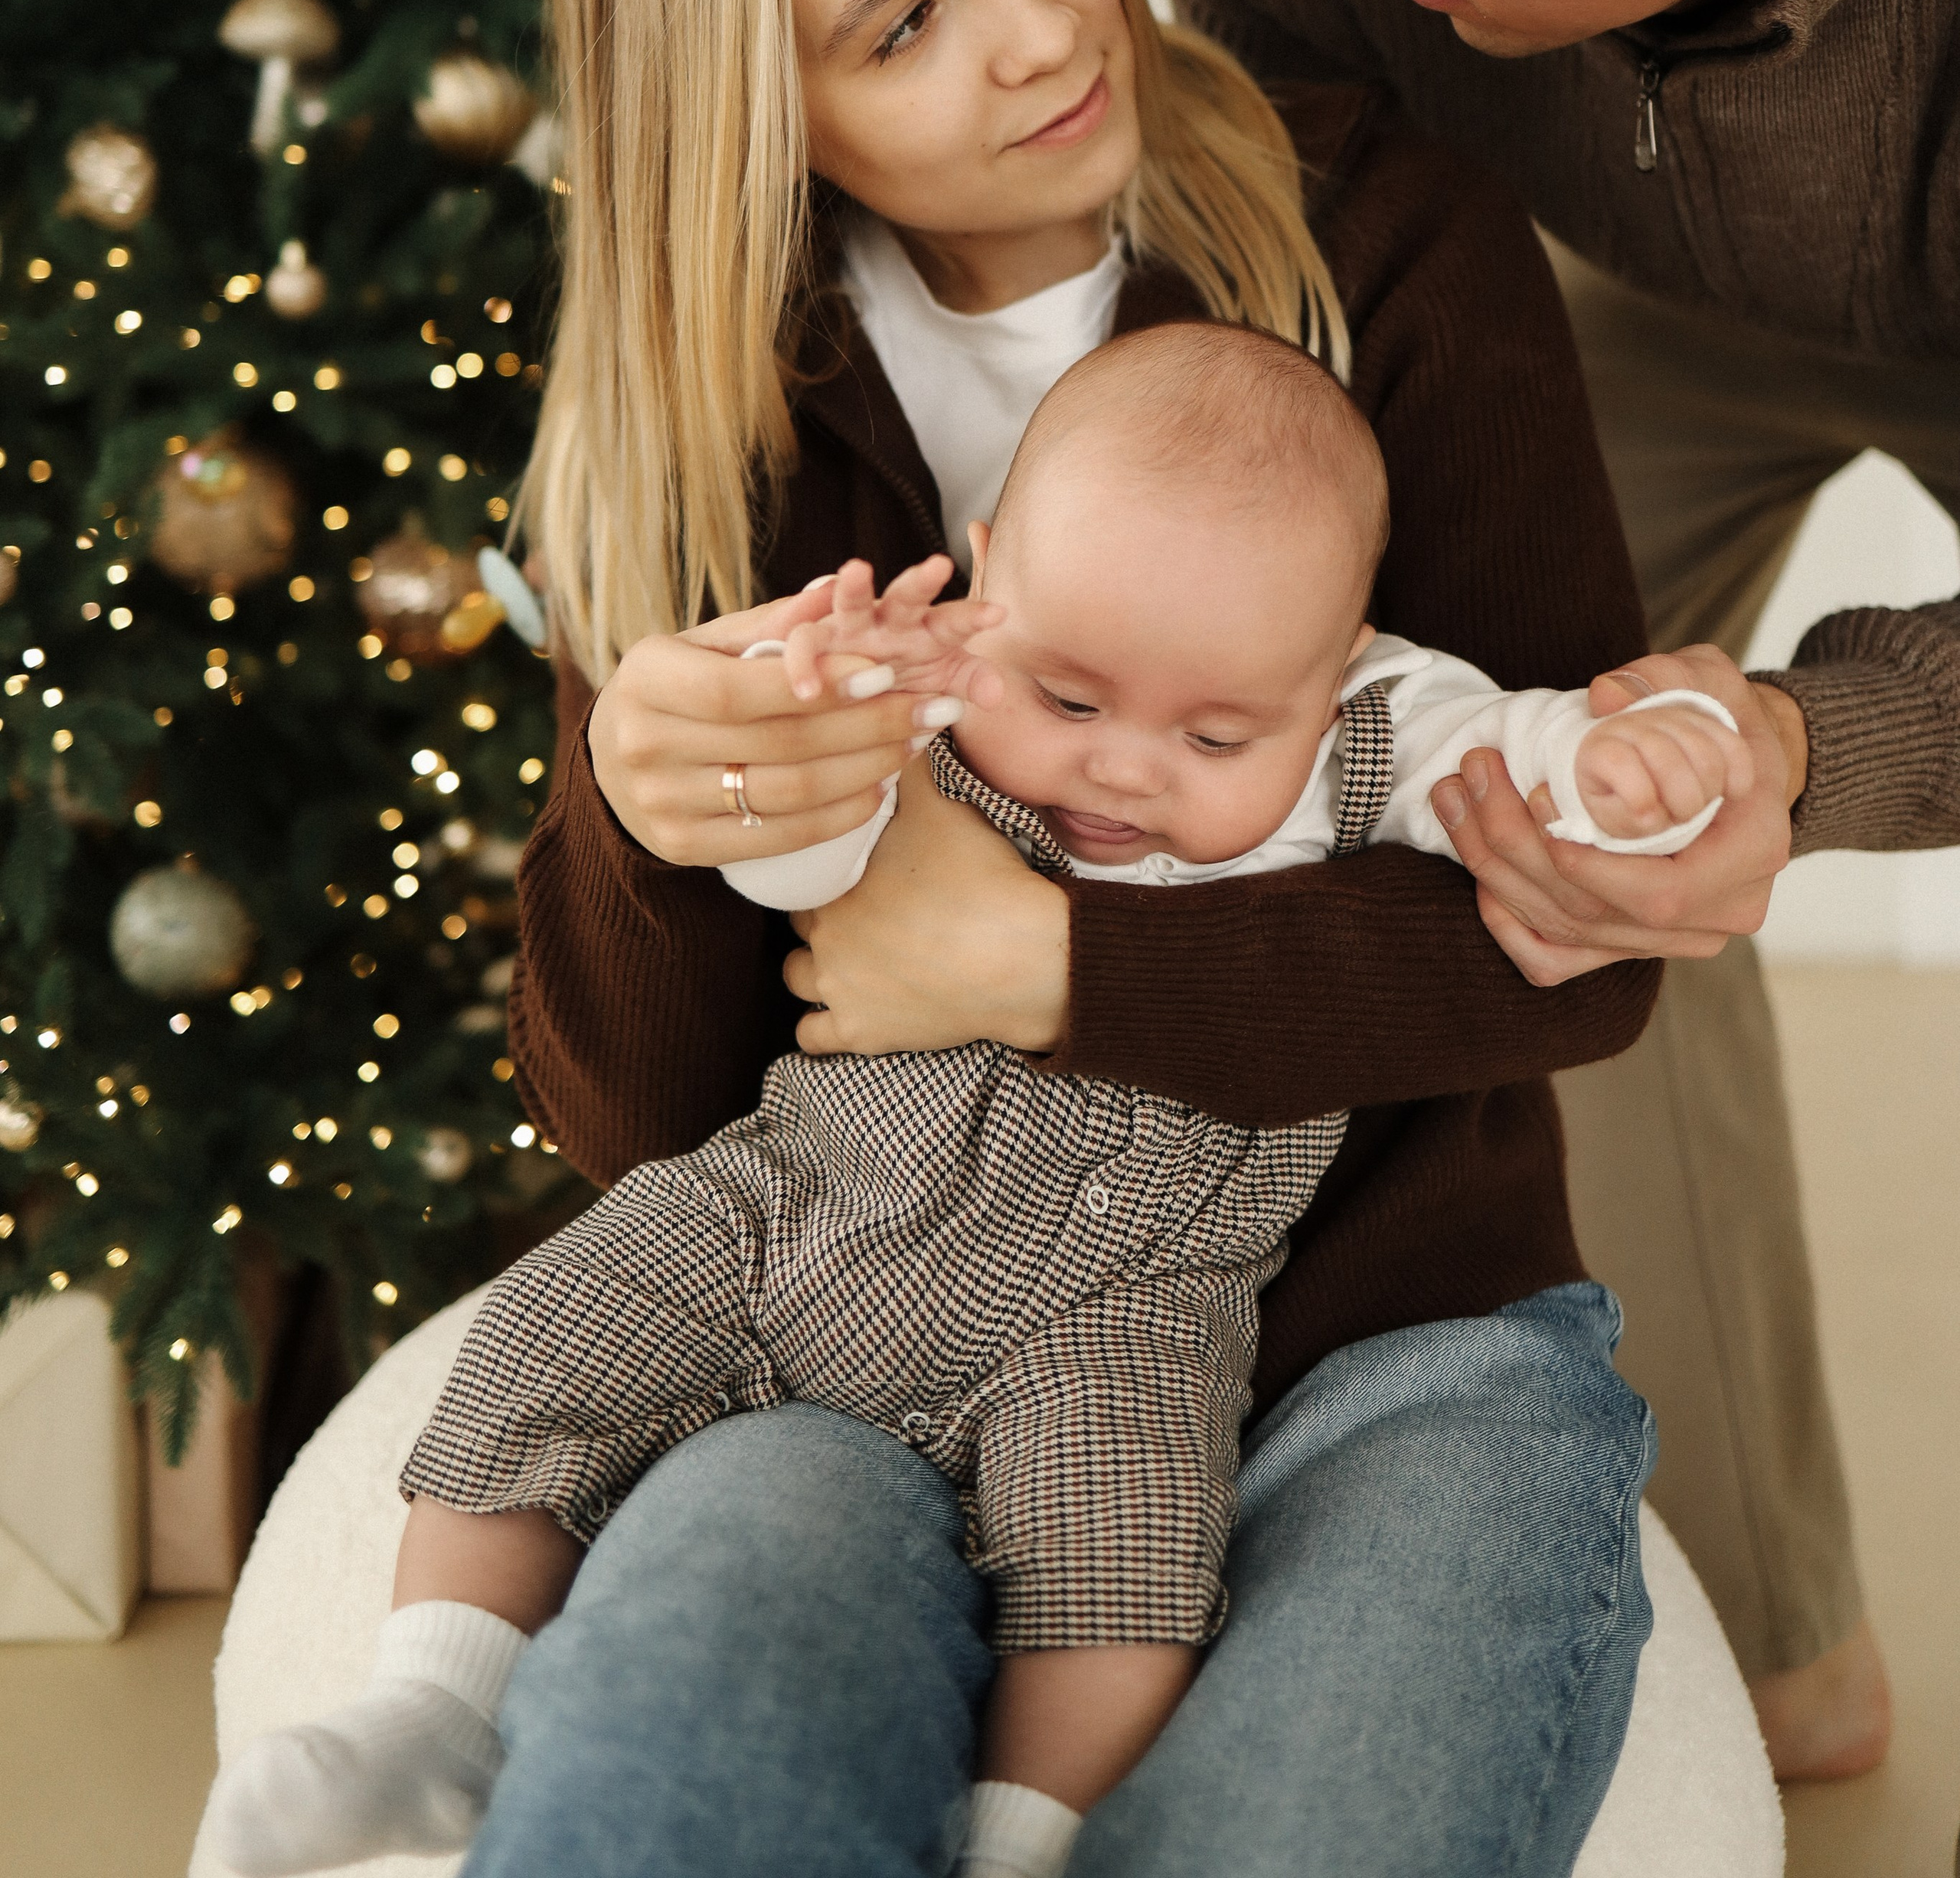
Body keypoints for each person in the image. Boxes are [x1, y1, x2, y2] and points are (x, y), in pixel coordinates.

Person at [371, 0, 1794, 1878]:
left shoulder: (1388, 249)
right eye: (898, 23)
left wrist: (1038, 958)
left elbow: (1570, 966)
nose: (1043, 26)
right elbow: (649, 1123)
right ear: (753, 111)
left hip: (1388, 1340)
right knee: (669, 1779)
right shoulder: (699, 423)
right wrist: (647, 829)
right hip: (839, 1330)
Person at [209, 326, 1756, 1878]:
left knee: (1126, 1566)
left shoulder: (1373, 735)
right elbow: (795, 872)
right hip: (796, 1215)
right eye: (1068, 694)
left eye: (1216, 735)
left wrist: (1633, 761)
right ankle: (432, 1712)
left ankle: (1028, 1837)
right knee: (556, 1331)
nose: (1124, 767)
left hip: (1119, 1312)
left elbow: (1525, 766)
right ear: (985, 568)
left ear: (1345, 655)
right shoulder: (927, 690)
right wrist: (799, 720)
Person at [1152, 0, 1960, 1785]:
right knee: (1548, 823)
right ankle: (1754, 1629)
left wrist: (1815, 743)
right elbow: (1302, 265)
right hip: (1579, 256)